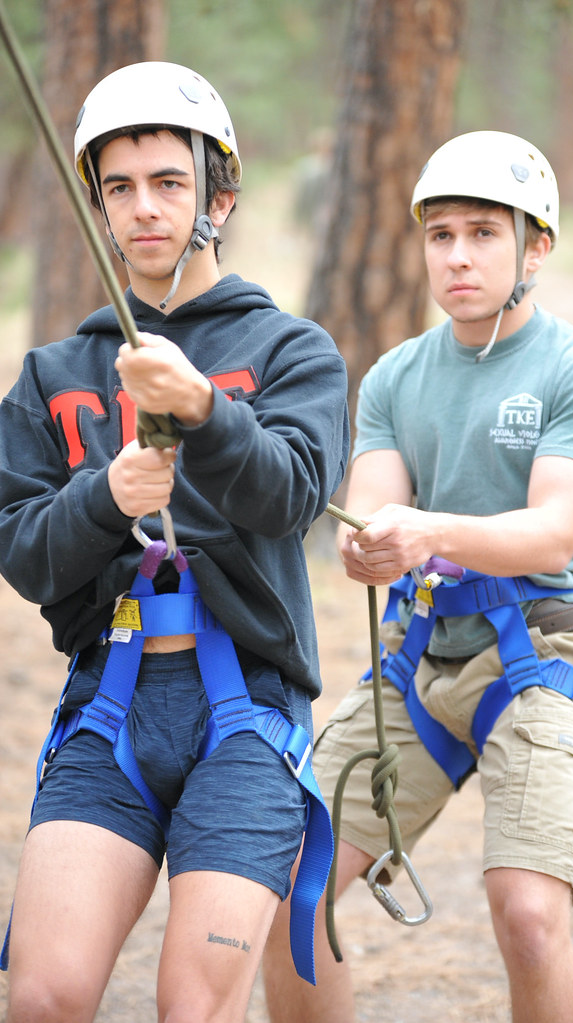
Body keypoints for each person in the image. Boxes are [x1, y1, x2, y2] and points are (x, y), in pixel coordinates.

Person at [0, 61, 348, 1023]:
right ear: (97, 207)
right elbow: (23, 550)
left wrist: (203, 408)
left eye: (169, 182)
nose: (144, 208)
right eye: (119, 187)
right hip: (108, 704)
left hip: (247, 711)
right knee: (42, 998)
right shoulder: (55, 372)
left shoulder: (290, 351)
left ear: (218, 194)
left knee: (193, 1008)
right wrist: (106, 495)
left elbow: (291, 497)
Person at [262, 130, 573, 1023]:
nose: (457, 256)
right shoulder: (394, 377)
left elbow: (551, 534)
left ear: (535, 246)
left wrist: (423, 532)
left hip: (538, 658)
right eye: (440, 235)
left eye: (483, 233)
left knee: (530, 917)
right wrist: (369, 549)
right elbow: (376, 512)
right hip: (418, 663)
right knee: (283, 889)